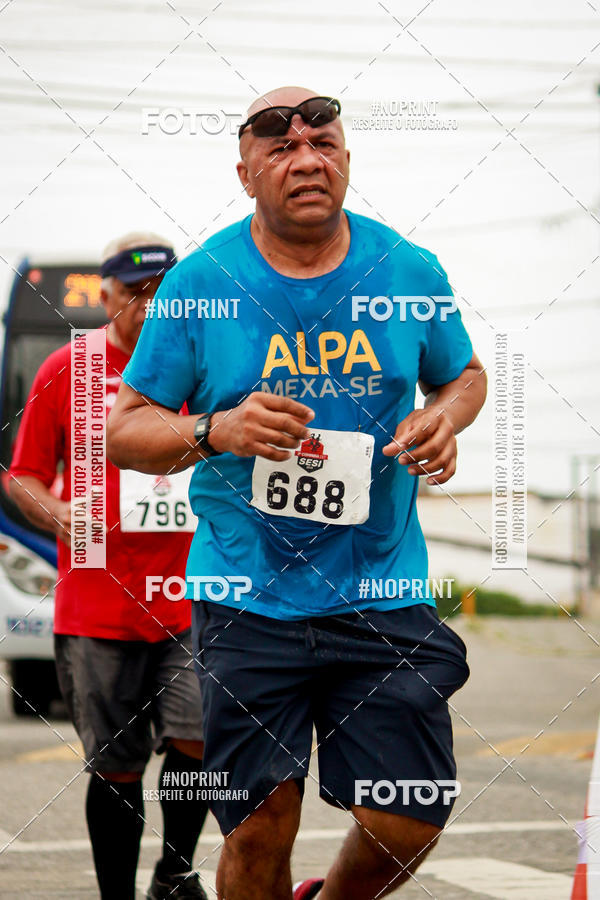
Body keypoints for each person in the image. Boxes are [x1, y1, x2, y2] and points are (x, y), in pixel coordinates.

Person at [106, 88, 487, 900]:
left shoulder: (408, 271)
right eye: (280, 149)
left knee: (409, 814)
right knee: (256, 829)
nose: (306, 158)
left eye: (324, 143)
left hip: (379, 592)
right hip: (247, 601)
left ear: (345, 159)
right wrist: (216, 429)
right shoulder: (200, 285)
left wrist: (444, 416)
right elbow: (124, 430)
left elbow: (465, 375)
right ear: (245, 173)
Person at [9, 232, 210, 900]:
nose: (151, 309)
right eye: (136, 295)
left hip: (192, 597)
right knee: (117, 768)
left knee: (199, 742)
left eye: (163, 294)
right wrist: (59, 514)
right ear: (108, 296)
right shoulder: (67, 368)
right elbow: (25, 478)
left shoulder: (205, 366)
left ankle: (173, 875)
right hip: (99, 602)